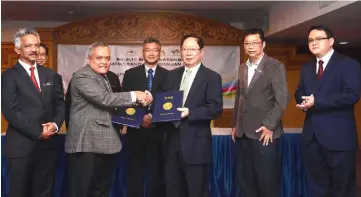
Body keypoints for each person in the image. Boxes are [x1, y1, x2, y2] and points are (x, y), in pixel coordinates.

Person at [64, 42, 152, 197]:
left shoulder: (104, 77)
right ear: (89, 59)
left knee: (101, 191)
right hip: (86, 144)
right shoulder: (82, 75)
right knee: (82, 192)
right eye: (99, 58)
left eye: (107, 58)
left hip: (106, 143)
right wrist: (135, 95)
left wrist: (139, 102)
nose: (104, 61)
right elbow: (105, 99)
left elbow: (112, 105)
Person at [295, 25, 361, 197]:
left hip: (339, 139)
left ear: (331, 41)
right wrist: (303, 101)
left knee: (343, 189)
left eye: (318, 39)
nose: (314, 43)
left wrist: (317, 101)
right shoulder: (307, 67)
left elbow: (352, 95)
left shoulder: (348, 64)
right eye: (310, 40)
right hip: (312, 138)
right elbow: (299, 92)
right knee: (318, 188)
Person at [1, 28, 65, 197]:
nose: (33, 49)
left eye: (36, 45)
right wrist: (38, 132)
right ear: (17, 50)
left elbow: (60, 105)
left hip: (48, 147)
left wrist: (55, 125)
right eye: (28, 45)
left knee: (44, 192)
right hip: (21, 148)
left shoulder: (51, 76)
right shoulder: (8, 77)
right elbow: (11, 111)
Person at [231, 28, 290, 197]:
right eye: (247, 43)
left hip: (265, 133)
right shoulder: (243, 67)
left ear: (263, 44)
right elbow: (240, 98)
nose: (250, 47)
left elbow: (282, 99)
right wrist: (235, 124)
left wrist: (270, 125)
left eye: (254, 43)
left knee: (267, 182)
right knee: (246, 182)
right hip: (243, 134)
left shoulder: (275, 66)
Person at [163, 34, 223, 197]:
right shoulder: (172, 75)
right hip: (172, 143)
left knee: (196, 191)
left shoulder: (212, 77)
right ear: (180, 51)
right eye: (185, 49)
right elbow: (164, 103)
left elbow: (215, 109)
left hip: (196, 145)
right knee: (172, 189)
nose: (188, 53)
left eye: (192, 49)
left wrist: (190, 112)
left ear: (201, 52)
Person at [122, 37, 168, 197]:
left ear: (160, 52)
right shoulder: (130, 74)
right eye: (148, 50)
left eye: (155, 50)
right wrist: (140, 117)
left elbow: (167, 102)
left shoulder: (168, 75)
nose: (151, 53)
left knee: (158, 172)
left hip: (159, 132)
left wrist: (152, 116)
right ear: (143, 52)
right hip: (136, 130)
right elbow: (125, 100)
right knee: (134, 171)